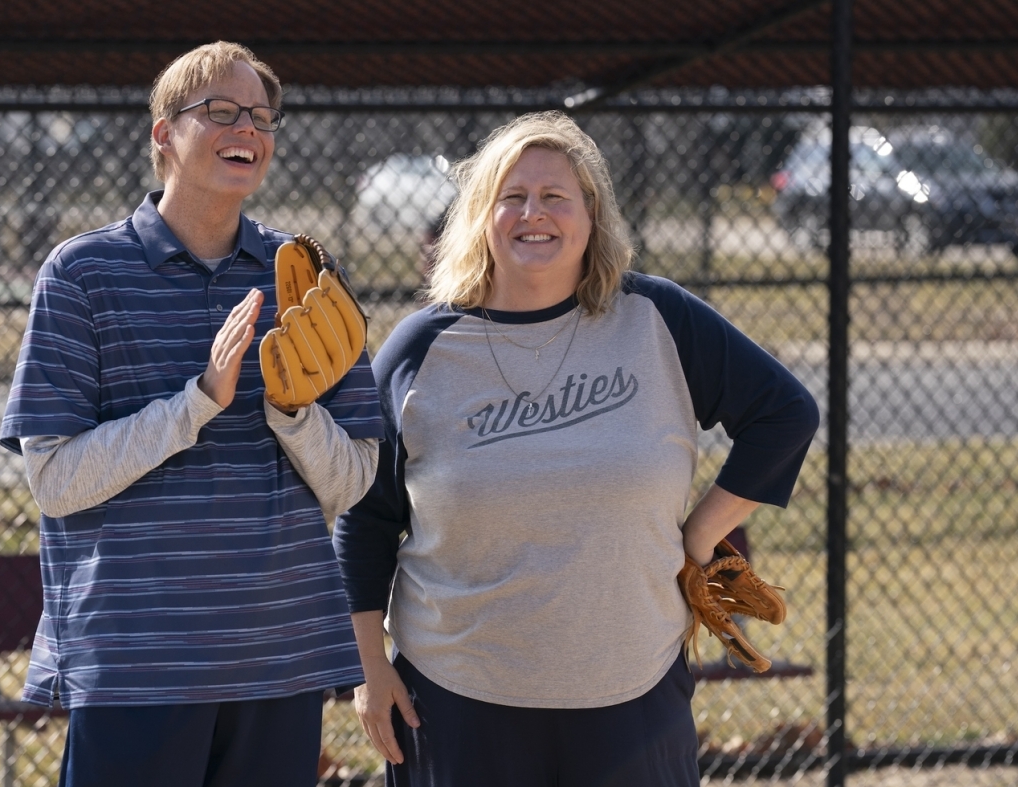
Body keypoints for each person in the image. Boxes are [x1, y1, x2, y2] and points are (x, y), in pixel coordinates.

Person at [334, 111, 819, 786]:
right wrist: (368, 668)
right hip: (455, 703)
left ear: (592, 215)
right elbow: (365, 518)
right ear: (480, 215)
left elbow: (786, 413)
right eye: (513, 196)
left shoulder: (658, 320)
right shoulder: (420, 350)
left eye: (556, 196)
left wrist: (701, 536)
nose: (534, 213)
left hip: (632, 698)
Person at [0, 42, 382, 787]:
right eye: (221, 111)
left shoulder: (302, 274)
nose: (248, 127)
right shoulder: (81, 273)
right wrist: (197, 401)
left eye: (262, 116)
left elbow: (352, 481)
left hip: (279, 656)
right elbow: (55, 481)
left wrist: (295, 411)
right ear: (163, 134)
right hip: (135, 664)